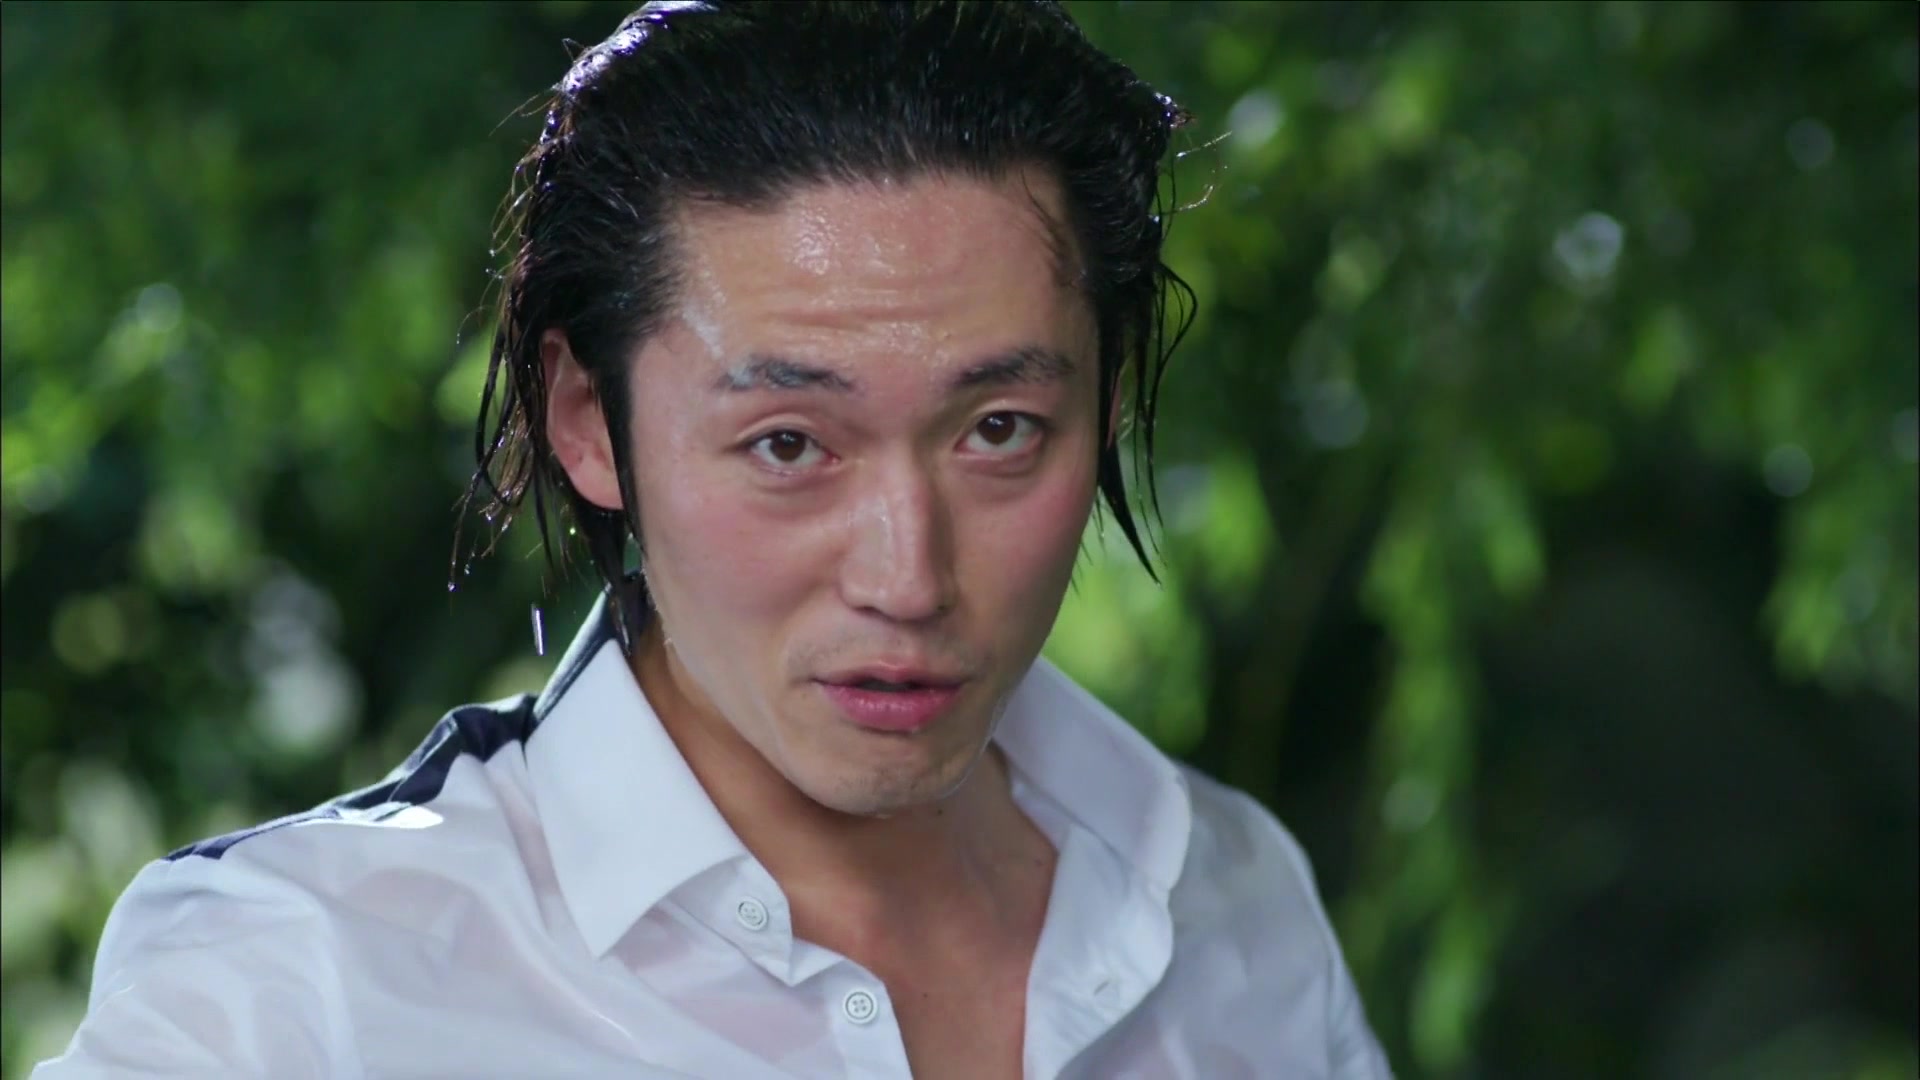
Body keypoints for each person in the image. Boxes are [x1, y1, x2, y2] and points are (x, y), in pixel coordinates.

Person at [37, 2, 1391, 1077]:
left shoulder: (1229, 901)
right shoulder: (296, 992)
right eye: (789, 445)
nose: (907, 578)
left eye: (999, 431)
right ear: (589, 421)